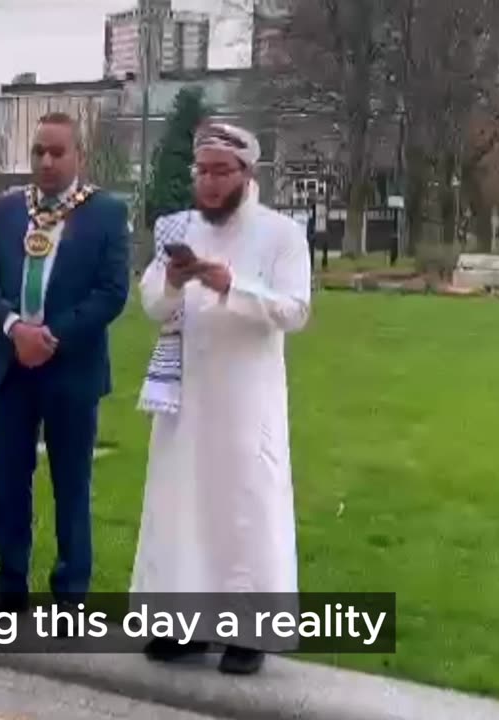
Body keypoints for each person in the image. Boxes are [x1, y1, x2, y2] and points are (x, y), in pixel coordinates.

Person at [132, 122, 312, 675]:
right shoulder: (181, 228)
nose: (208, 183)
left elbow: (296, 310)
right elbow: (152, 304)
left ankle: (248, 634)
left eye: (220, 172)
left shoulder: (281, 234)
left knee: (244, 509)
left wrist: (231, 285)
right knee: (182, 506)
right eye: (202, 171)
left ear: (246, 173)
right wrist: (175, 280)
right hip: (186, 395)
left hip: (246, 400)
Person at [0, 112, 132, 612]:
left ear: (79, 155)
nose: (45, 160)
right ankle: (10, 582)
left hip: (72, 371)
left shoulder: (105, 212)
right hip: (11, 368)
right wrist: (13, 328)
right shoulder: (9, 209)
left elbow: (112, 292)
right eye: (38, 151)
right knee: (9, 483)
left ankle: (69, 595)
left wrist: (53, 336)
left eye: (57, 152)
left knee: (71, 486)